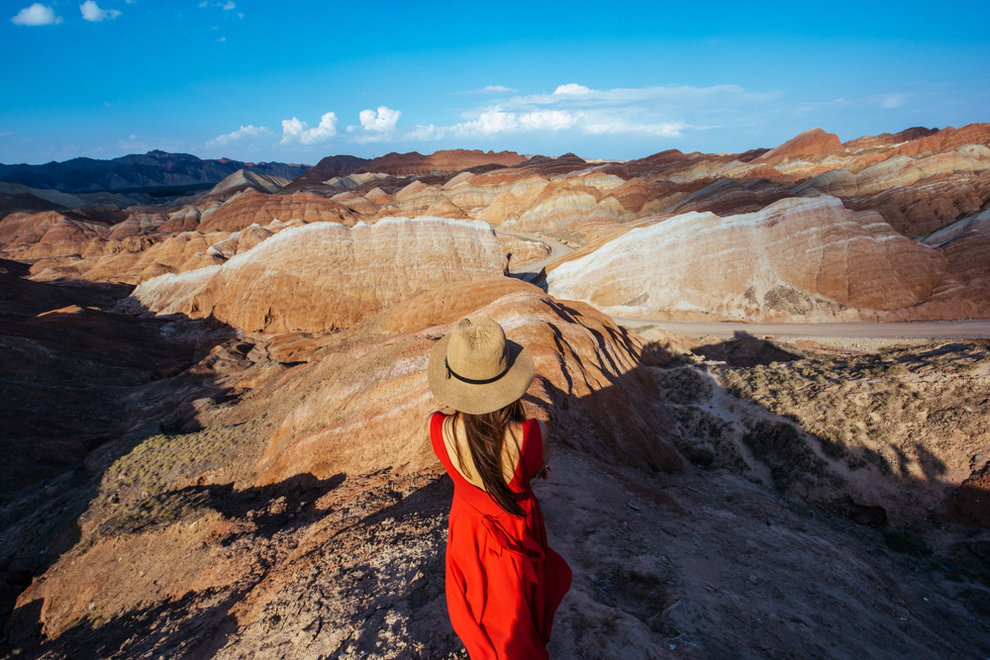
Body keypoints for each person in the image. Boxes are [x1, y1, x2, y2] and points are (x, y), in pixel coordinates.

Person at [427, 316, 572, 659]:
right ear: (507, 382)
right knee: (520, 615)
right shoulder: (533, 435)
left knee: (478, 613)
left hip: (468, 532)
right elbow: (536, 470)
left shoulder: (437, 429)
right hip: (516, 529)